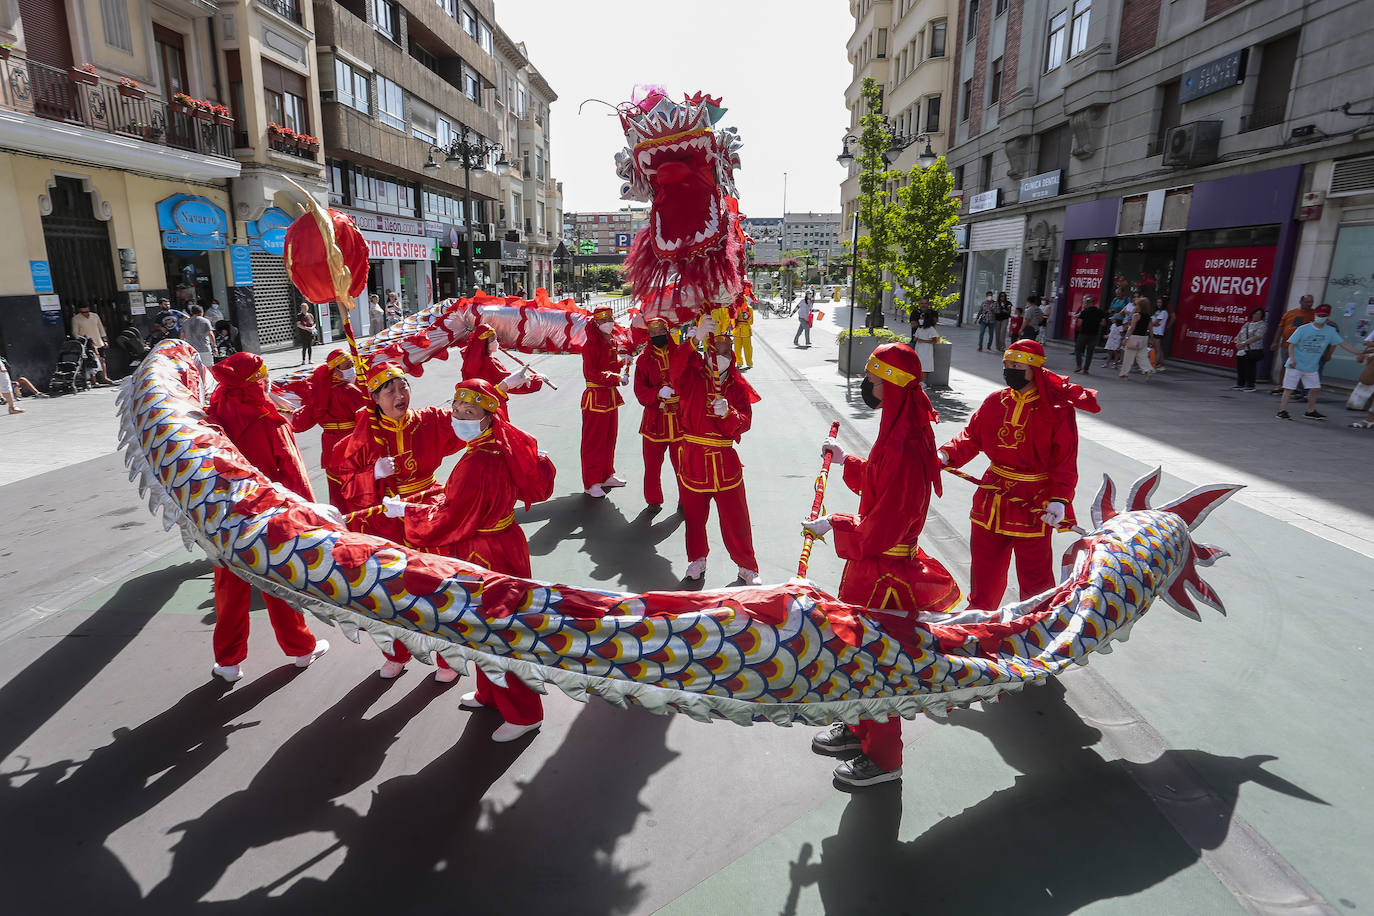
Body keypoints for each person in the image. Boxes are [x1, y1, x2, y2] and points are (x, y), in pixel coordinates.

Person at [803, 343, 961, 787]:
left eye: (873, 381)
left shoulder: (907, 443)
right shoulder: (897, 429)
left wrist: (834, 527)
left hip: (885, 574)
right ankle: (858, 730)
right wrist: (845, 461)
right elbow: (879, 481)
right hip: (872, 569)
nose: (867, 388)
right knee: (858, 656)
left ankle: (884, 758)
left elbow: (886, 524)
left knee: (877, 664)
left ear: (889, 387)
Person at [385, 378, 557, 739]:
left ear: (488, 416)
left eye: (470, 412)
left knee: (500, 632)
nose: (459, 417)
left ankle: (525, 714)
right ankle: (490, 693)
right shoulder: (495, 446)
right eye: (457, 410)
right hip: (495, 544)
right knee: (479, 627)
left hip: (489, 552)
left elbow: (453, 518)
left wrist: (408, 513)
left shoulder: (480, 462)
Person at [940, 339, 1099, 610]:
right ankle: (980, 618)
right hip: (991, 496)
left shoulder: (1057, 411)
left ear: (1034, 370)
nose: (1009, 370)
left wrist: (1060, 499)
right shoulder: (994, 401)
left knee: (1035, 578)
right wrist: (944, 456)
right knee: (984, 570)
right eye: (1007, 365)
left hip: (1034, 501)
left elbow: (1065, 459)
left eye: (1017, 366)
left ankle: (1037, 624)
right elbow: (970, 437)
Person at [204, 352, 331, 682]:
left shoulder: (212, 417)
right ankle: (301, 649)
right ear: (253, 382)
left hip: (226, 520)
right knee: (280, 584)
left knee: (229, 591)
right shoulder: (268, 420)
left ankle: (228, 663)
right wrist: (310, 515)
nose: (267, 381)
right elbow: (294, 474)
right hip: (269, 517)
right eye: (263, 376)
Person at [334, 361, 461, 678]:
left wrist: (500, 390)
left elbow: (466, 421)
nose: (399, 394)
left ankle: (447, 658)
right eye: (389, 390)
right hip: (385, 516)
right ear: (375, 398)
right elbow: (346, 484)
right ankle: (396, 652)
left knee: (437, 584)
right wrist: (372, 475)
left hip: (427, 507)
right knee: (386, 589)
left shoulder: (429, 419)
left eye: (403, 386)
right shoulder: (365, 435)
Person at [673, 319, 762, 584]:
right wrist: (694, 340)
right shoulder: (691, 376)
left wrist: (729, 414)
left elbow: (744, 424)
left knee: (737, 518)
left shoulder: (737, 386)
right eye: (716, 350)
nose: (721, 355)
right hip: (693, 458)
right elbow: (675, 368)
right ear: (707, 353)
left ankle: (746, 565)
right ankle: (697, 559)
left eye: (726, 351)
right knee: (694, 516)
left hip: (725, 461)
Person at [289, 349, 371, 506]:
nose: (351, 369)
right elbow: (368, 418)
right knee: (356, 485)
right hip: (350, 442)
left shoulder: (319, 392)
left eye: (352, 365)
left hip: (329, 444)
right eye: (347, 366)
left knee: (336, 487)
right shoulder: (348, 390)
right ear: (335, 370)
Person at [1276, 304, 1364, 421]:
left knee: (1315, 388)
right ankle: (1283, 410)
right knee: (1289, 388)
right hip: (1296, 364)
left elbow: (1343, 344)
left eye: (1324, 315)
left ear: (1328, 317)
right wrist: (1292, 358)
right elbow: (1292, 344)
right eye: (1319, 315)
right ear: (1315, 315)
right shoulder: (1303, 329)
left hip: (1311, 366)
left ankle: (1310, 411)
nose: (1321, 317)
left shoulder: (1330, 331)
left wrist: (1359, 353)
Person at [634, 317, 685, 509]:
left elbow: (692, 378)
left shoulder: (679, 354)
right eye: (653, 333)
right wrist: (656, 393)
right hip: (654, 421)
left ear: (667, 331)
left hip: (680, 421)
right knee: (652, 465)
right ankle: (653, 499)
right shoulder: (643, 360)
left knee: (682, 465)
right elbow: (640, 391)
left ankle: (685, 499)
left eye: (660, 331)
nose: (657, 336)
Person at [581, 306, 628, 498]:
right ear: (596, 323)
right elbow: (591, 373)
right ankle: (591, 482)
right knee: (594, 442)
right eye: (603, 320)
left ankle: (607, 474)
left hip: (609, 398)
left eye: (610, 319)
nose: (608, 323)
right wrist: (616, 377)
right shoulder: (591, 345)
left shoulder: (610, 341)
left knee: (610, 439)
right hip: (596, 398)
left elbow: (607, 365)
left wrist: (623, 362)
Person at [460, 323, 544, 396]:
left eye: (496, 339)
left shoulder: (470, 357)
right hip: (488, 402)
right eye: (492, 340)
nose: (496, 342)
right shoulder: (489, 362)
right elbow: (511, 383)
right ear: (483, 344)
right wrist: (537, 379)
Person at [1271, 294, 1316, 395]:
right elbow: (1280, 328)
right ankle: (1282, 385)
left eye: (1311, 302)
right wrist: (1275, 341)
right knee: (1285, 364)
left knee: (1300, 366)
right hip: (1286, 344)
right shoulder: (1290, 313)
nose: (1309, 304)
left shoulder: (1314, 314)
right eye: (1307, 302)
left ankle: (1297, 388)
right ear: (1301, 302)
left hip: (1303, 346)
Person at [71, 304, 112, 384]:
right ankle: (94, 380)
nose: (85, 313)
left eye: (87, 311)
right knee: (91, 361)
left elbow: (101, 328)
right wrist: (80, 339)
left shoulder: (95, 316)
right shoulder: (76, 319)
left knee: (102, 360)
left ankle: (104, 377)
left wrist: (104, 339)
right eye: (83, 312)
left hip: (98, 340)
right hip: (87, 343)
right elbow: (75, 332)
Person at [1118, 297, 1155, 381]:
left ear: (1140, 306)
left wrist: (1126, 338)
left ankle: (1124, 374)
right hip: (1144, 338)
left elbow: (1132, 328)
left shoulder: (1136, 315)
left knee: (1128, 357)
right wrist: (1151, 339)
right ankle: (1147, 370)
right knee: (1142, 356)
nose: (1135, 306)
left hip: (1134, 337)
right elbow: (1151, 329)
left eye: (1137, 304)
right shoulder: (1148, 317)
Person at [1232, 307, 1268, 391]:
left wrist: (1244, 343)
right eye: (1255, 313)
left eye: (1259, 314)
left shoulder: (1262, 325)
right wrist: (1238, 342)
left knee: (1250, 367)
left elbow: (1258, 336)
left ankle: (1250, 385)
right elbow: (1240, 334)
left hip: (1253, 350)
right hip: (1242, 350)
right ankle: (1240, 383)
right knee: (1241, 367)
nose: (1256, 316)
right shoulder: (1247, 324)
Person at [1073, 295, 1106, 374]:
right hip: (1094, 334)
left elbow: (1079, 324)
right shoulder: (1100, 312)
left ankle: (1079, 365)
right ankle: (1086, 369)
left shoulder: (1084, 312)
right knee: (1090, 352)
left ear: (1088, 303)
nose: (1084, 304)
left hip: (1083, 333)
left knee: (1078, 349)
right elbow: (1103, 323)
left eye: (1084, 303)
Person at [911, 309, 939, 384]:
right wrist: (915, 337)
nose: (920, 320)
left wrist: (923, 341)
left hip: (926, 350)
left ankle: (924, 382)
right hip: (919, 349)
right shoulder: (919, 328)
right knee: (919, 366)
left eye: (922, 318)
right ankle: (919, 381)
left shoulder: (931, 329)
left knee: (925, 367)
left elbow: (935, 340)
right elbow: (915, 338)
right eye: (920, 318)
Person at [733, 298, 754, 369]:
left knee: (747, 348)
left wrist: (747, 317)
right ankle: (739, 362)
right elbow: (733, 319)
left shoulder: (749, 309)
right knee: (737, 348)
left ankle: (749, 362)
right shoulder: (736, 308)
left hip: (745, 331)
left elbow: (751, 322)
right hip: (738, 331)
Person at [1148, 303, 1170, 370]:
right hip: (1154, 331)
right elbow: (1153, 322)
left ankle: (1154, 364)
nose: (1159, 304)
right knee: (1158, 348)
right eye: (1157, 302)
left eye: (1160, 302)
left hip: (1158, 332)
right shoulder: (1157, 311)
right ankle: (1160, 364)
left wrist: (1151, 324)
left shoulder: (1164, 312)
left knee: (1156, 349)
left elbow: (1156, 323)